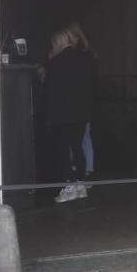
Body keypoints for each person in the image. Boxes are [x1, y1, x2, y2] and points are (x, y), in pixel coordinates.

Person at [44, 26, 97, 203]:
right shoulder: (84, 59)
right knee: (78, 147)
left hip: (62, 113)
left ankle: (68, 185)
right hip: (81, 112)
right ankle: (80, 184)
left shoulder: (56, 63)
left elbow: (52, 92)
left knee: (63, 149)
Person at [66, 22, 96, 181]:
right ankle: (85, 168)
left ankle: (83, 169)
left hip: (81, 104)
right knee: (83, 137)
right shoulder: (85, 56)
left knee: (81, 137)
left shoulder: (81, 56)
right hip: (84, 103)